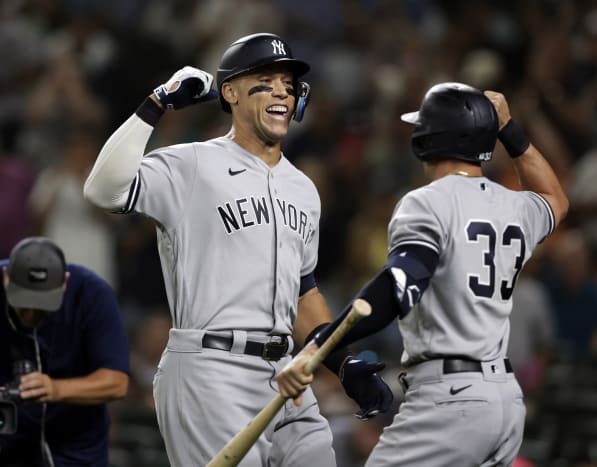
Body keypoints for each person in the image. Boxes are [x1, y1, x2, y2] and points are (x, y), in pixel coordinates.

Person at [83, 32, 392, 467]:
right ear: (230, 93)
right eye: (265, 80)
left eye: (288, 83)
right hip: (211, 368)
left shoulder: (303, 189)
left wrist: (340, 363)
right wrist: (155, 103)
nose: (282, 89)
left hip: (285, 372)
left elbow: (303, 294)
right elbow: (103, 191)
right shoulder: (191, 163)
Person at [277, 83, 569, 466]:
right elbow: (557, 199)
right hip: (506, 402)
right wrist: (510, 130)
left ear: (427, 139)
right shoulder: (513, 205)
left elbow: (399, 285)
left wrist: (321, 346)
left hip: (450, 399)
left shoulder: (426, 202)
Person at [0, 237, 129, 466]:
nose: (30, 315)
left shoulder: (91, 293)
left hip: (77, 451)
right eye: (23, 302)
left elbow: (116, 382)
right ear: (6, 277)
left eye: (41, 305)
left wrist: (55, 389)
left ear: (64, 283)